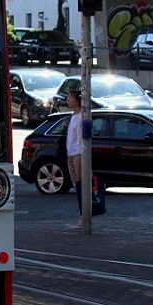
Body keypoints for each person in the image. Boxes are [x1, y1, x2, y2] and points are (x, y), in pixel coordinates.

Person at [65, 87, 84, 230]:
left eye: (70, 98)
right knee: (76, 184)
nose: (68, 100)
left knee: (80, 185)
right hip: (70, 153)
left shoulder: (82, 116)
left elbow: (81, 137)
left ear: (77, 101)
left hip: (78, 153)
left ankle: (83, 216)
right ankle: (82, 215)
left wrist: (81, 155)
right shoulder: (72, 116)